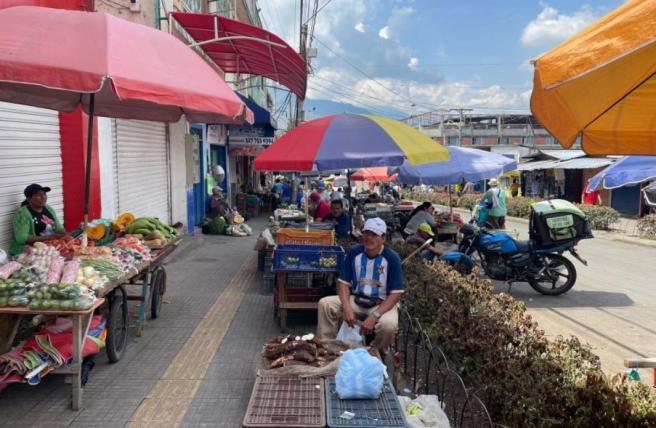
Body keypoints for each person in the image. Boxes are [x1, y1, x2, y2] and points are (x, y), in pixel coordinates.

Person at [317, 218, 403, 353]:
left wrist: (374, 316)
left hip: (382, 303)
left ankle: (377, 352)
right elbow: (343, 283)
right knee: (325, 304)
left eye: (374, 235)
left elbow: (396, 294)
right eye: (366, 233)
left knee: (388, 326)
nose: (369, 238)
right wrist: (346, 308)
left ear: (383, 238)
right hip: (357, 298)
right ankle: (327, 347)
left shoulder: (392, 258)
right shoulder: (354, 252)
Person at [10, 184, 65, 256]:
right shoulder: (22, 214)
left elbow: (59, 228)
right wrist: (50, 237)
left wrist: (63, 234)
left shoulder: (48, 208)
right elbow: (21, 238)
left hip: (48, 248)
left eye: (44, 194)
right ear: (29, 199)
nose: (43, 197)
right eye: (38, 195)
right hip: (29, 252)